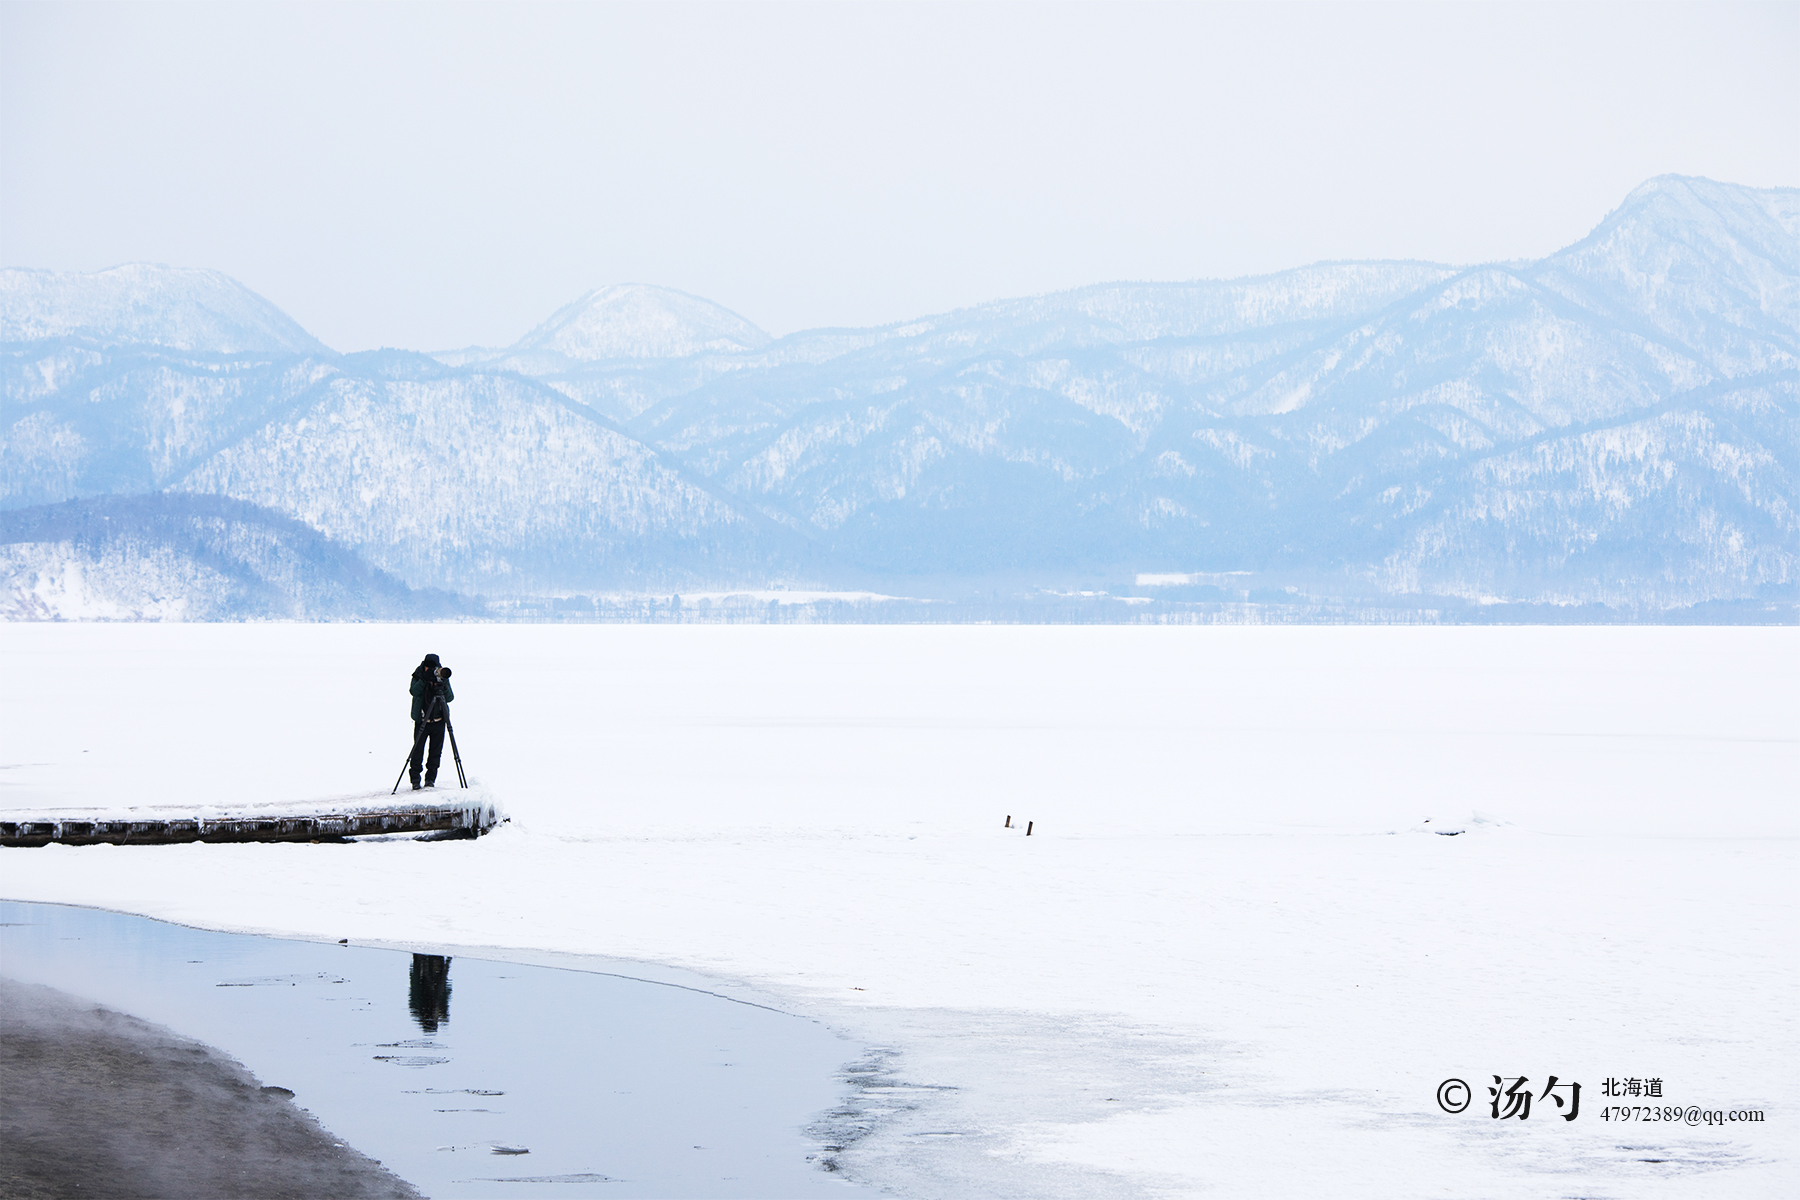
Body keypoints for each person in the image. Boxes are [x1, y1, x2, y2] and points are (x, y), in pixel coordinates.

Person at [408, 654, 455, 790]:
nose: (431, 669)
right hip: (422, 720)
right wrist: (424, 679)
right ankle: (415, 780)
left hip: (439, 721)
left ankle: (430, 780)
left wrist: (443, 683)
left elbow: (450, 698)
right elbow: (413, 691)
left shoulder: (441, 676)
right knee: (417, 751)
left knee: (435, 752)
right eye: (428, 666)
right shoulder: (418, 674)